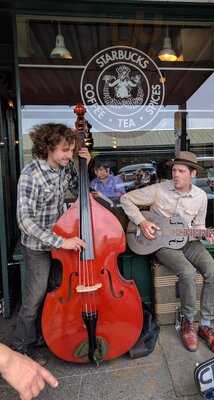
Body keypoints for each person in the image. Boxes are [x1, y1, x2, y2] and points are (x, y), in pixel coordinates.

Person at [120, 151, 214, 353]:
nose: (176, 175)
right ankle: (187, 323)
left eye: (181, 171)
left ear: (193, 174)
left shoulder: (201, 197)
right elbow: (126, 199)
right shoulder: (160, 189)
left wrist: (207, 234)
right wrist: (142, 222)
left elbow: (199, 226)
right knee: (187, 272)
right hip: (162, 244)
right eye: (174, 170)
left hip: (189, 241)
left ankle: (206, 324)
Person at [12, 123, 91, 365]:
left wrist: (83, 166)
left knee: (56, 293)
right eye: (66, 150)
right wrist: (61, 241)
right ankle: (20, 349)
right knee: (34, 297)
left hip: (60, 244)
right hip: (38, 246)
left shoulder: (61, 169)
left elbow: (77, 191)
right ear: (48, 148)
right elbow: (24, 221)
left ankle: (47, 335)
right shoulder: (31, 174)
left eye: (72, 149)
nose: (70, 154)